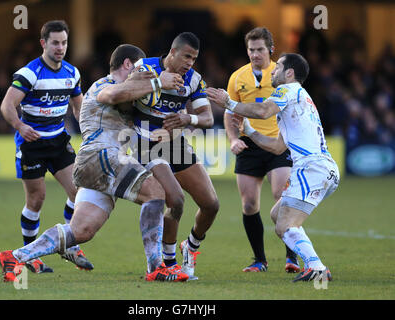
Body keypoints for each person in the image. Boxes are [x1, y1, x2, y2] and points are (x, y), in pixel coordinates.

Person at [0, 44, 189, 283]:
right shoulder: (104, 84)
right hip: (102, 156)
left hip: (92, 165)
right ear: (128, 65)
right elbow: (113, 95)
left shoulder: (133, 93)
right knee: (156, 192)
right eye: (143, 68)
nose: (149, 72)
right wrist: (158, 82)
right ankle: (156, 267)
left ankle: (15, 256)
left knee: (82, 231)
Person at [207, 53, 339, 282]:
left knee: (284, 225)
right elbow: (277, 147)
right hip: (325, 169)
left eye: (278, 67)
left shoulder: (287, 90)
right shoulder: (299, 98)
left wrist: (229, 103)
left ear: (289, 73)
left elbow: (262, 111)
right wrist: (249, 131)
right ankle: (312, 264)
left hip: (311, 168)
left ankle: (317, 267)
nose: (273, 71)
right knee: (277, 214)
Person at [0, 20, 93, 273]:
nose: (60, 47)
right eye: (55, 43)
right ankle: (29, 256)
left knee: (78, 192)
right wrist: (20, 126)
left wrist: (89, 131)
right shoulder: (29, 73)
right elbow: (7, 106)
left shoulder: (72, 73)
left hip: (59, 140)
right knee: (36, 199)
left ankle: (70, 246)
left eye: (64, 42)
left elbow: (78, 106)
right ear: (43, 43)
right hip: (32, 144)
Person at [132, 32, 219, 280]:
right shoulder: (144, 67)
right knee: (176, 200)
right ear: (172, 52)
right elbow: (122, 92)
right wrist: (154, 83)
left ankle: (189, 247)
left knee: (211, 204)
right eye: (186, 56)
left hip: (175, 143)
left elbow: (208, 118)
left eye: (194, 58)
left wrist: (187, 118)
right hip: (145, 142)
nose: (190, 62)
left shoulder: (193, 79)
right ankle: (169, 264)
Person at [223, 27, 298, 273]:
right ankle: (259, 260)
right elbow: (230, 113)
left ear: (270, 50)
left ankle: (292, 258)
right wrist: (233, 139)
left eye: (260, 50)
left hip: (277, 143)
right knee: (248, 205)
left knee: (281, 193)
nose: (255, 54)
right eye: (251, 50)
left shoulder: (282, 74)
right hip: (249, 144)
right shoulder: (237, 78)